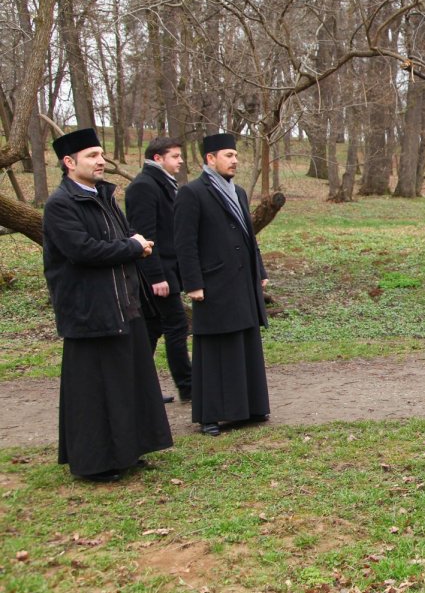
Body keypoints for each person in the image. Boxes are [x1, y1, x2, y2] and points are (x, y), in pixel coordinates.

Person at [42, 128, 172, 482]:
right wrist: (134, 246)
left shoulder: (104, 197)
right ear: (69, 163)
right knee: (94, 394)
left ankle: (129, 452)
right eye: (92, 156)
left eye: (101, 154)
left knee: (126, 385)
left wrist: (136, 246)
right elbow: (82, 250)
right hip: (89, 312)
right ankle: (96, 464)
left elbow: (122, 239)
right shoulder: (60, 204)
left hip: (123, 306)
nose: (101, 161)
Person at [174, 133, 270, 438]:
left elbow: (248, 235)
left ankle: (249, 408)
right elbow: (184, 243)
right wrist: (192, 283)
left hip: (242, 279)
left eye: (236, 155)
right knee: (215, 348)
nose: (235, 160)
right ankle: (211, 415)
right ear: (210, 159)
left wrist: (260, 269)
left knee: (245, 342)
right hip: (213, 281)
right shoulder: (192, 193)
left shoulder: (239, 192)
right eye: (228, 155)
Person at [125, 136, 193, 403]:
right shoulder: (143, 187)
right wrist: (156, 277)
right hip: (156, 274)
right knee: (176, 325)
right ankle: (188, 387)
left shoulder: (161, 183)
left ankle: (139, 389)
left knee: (152, 329)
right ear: (158, 158)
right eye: (175, 156)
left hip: (166, 270)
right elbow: (144, 236)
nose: (180, 161)